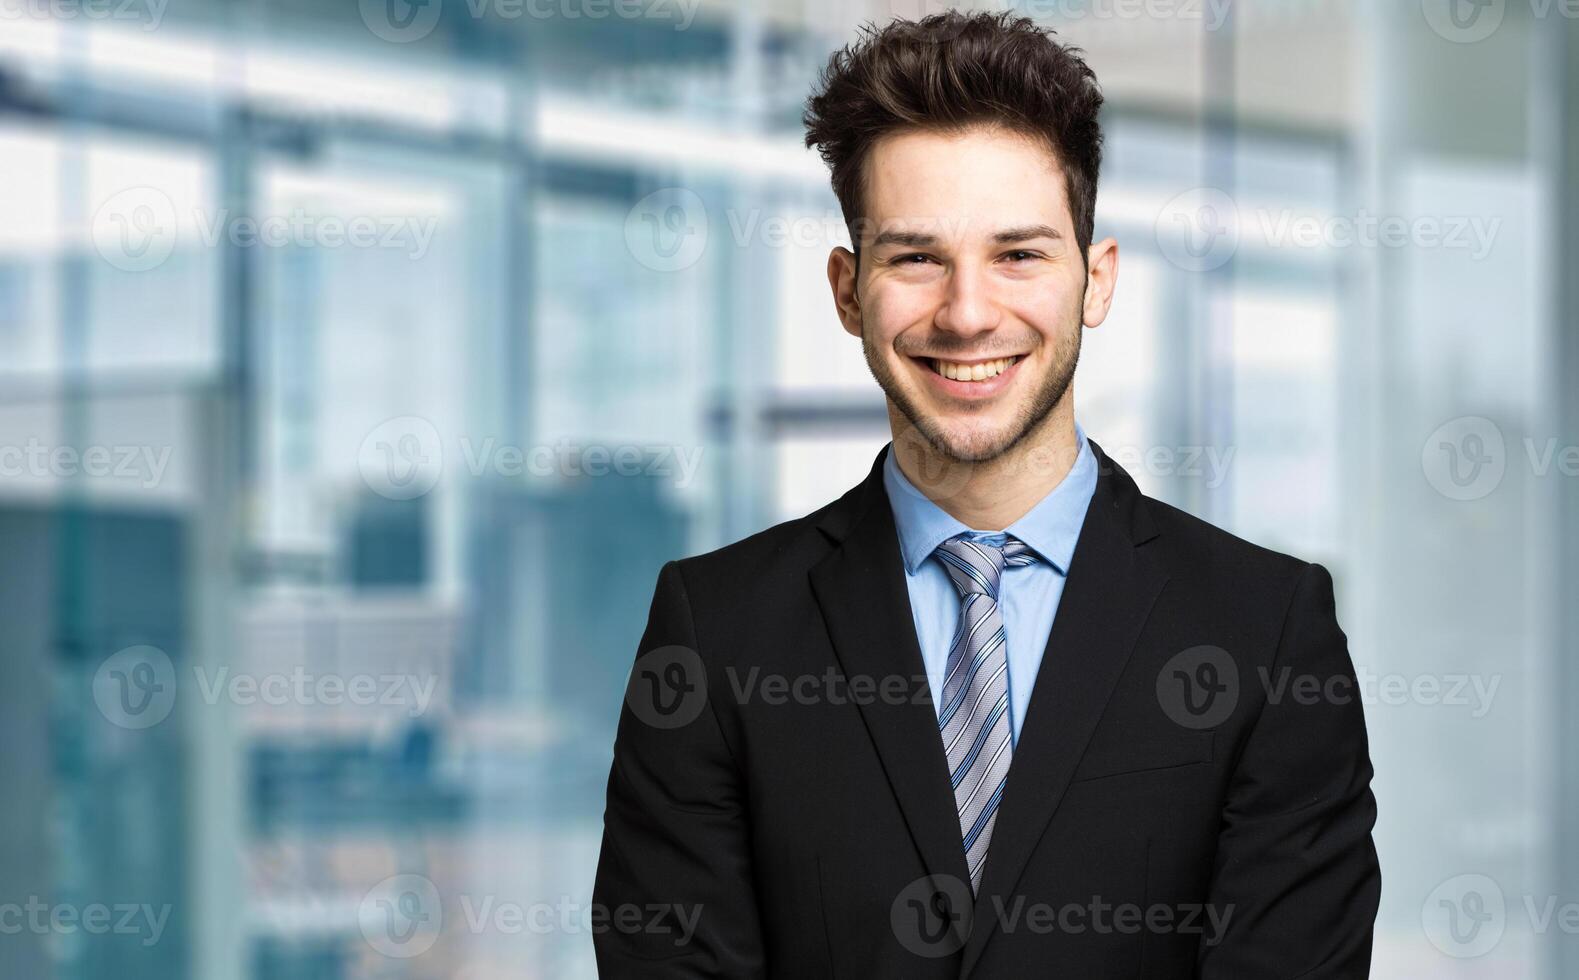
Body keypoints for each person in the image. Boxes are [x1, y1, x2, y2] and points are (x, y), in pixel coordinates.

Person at [593, 11, 1380, 977]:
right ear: (847, 290)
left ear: (1095, 280)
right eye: (915, 256)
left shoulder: (1265, 631)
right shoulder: (717, 631)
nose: (968, 314)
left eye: (1019, 254)